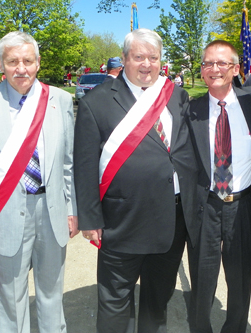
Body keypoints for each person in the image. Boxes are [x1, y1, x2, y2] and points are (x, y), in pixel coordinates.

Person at [73, 28, 198, 333]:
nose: (146, 64)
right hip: (121, 220)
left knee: (158, 299)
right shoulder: (97, 101)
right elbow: (84, 166)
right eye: (138, 57)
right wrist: (90, 219)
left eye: (153, 57)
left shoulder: (178, 96)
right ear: (125, 59)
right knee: (115, 300)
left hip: (171, 218)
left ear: (160, 61)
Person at [0, 31, 79, 332]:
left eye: (27, 60)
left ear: (38, 64)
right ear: (1, 64)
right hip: (5, 217)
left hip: (51, 212)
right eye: (12, 61)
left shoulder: (60, 100)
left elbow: (68, 163)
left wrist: (72, 209)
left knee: (52, 295)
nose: (20, 68)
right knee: (11, 300)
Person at [187, 40, 251, 333]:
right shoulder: (190, 109)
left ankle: (235, 328)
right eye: (208, 63)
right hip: (205, 204)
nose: (214, 69)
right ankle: (200, 327)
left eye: (222, 63)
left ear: (235, 68)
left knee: (240, 278)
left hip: (243, 205)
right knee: (202, 277)